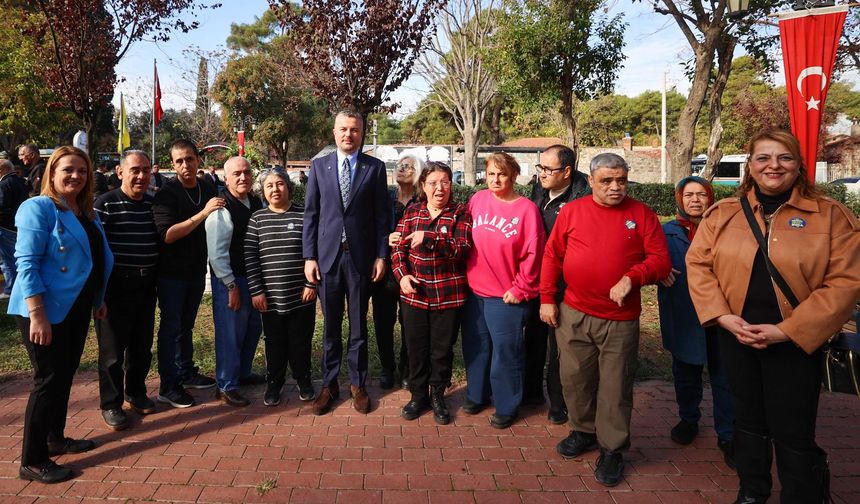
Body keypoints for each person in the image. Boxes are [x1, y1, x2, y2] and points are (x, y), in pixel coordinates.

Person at [686, 129, 860, 504]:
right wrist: (721, 316)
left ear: (799, 165)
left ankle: (802, 495)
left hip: (796, 342)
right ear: (750, 165)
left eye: (784, 157)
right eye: (763, 158)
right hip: (737, 335)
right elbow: (698, 265)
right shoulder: (724, 214)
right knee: (747, 421)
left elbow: (846, 282)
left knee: (793, 428)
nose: (773, 166)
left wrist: (789, 331)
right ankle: (752, 492)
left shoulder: (831, 216)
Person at [540, 153, 671, 487]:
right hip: (574, 312)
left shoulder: (641, 214)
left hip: (619, 318)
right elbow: (552, 256)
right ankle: (583, 431)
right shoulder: (573, 211)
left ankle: (612, 448)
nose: (615, 187)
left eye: (621, 180)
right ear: (591, 181)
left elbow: (660, 260)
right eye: (607, 181)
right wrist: (547, 299)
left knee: (615, 387)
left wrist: (633, 277)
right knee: (574, 379)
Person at [8, 146, 113, 483]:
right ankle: (32, 460)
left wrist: (98, 298)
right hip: (44, 308)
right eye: (67, 169)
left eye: (82, 170)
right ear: (51, 173)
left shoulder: (85, 212)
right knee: (48, 380)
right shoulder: (38, 208)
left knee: (65, 375)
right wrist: (37, 314)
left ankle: (55, 437)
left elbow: (93, 260)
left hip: (76, 306)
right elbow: (26, 264)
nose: (75, 176)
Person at [303, 110, 390, 415]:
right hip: (328, 259)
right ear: (334, 132)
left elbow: (382, 216)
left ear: (361, 133)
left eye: (354, 129)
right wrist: (309, 257)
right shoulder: (319, 166)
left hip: (360, 260)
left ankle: (358, 384)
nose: (348, 134)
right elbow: (311, 214)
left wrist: (381, 255)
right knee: (330, 327)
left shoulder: (375, 168)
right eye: (343, 129)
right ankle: (329, 385)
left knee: (358, 327)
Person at [462, 152, 545, 429]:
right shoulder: (477, 200)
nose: (495, 180)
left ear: (514, 176)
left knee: (506, 352)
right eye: (491, 174)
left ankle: (507, 404)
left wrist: (522, 288)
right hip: (475, 292)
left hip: (506, 296)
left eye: (502, 174)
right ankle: (477, 394)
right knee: (477, 347)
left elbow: (534, 253)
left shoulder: (526, 210)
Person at [657, 176, 735, 467]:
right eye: (688, 195)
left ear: (710, 198)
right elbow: (647, 260)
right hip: (684, 314)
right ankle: (688, 419)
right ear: (679, 199)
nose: (695, 200)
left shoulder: (725, 230)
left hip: (721, 314)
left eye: (701, 194)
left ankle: (728, 434)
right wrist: (659, 270)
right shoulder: (666, 232)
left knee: (724, 376)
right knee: (686, 373)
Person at [391, 162, 471, 424]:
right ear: (423, 186)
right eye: (433, 183)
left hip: (448, 295)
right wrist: (402, 277)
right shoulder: (412, 212)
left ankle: (437, 394)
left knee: (441, 350)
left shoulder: (460, 212)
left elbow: (461, 248)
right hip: (414, 295)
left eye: (445, 182)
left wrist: (430, 237)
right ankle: (418, 396)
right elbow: (398, 249)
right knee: (416, 348)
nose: (440, 188)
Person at [152, 139, 224, 409]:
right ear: (173, 165)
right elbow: (168, 235)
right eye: (179, 161)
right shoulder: (166, 194)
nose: (186, 165)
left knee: (186, 326)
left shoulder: (206, 187)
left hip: (196, 270)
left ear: (198, 160)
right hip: (171, 274)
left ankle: (186, 372)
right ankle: (168, 386)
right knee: (171, 328)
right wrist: (203, 213)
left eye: (190, 159)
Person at [523, 144, 589, 424]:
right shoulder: (539, 188)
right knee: (533, 338)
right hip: (536, 278)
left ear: (567, 171)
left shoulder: (583, 196)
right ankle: (531, 393)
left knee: (560, 345)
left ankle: (559, 402)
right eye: (540, 167)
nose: (542, 174)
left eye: (548, 169)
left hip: (566, 283)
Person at [94, 150, 160, 430]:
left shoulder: (153, 204)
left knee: (141, 345)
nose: (141, 176)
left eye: (146, 170)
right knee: (112, 351)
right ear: (120, 172)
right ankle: (111, 403)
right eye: (135, 170)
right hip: (115, 287)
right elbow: (96, 251)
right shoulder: (105, 204)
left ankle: (136, 392)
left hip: (146, 285)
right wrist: (99, 294)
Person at [245, 168, 317, 407]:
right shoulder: (257, 219)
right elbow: (251, 257)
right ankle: (274, 383)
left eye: (280, 184)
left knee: (300, 342)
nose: (275, 189)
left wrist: (311, 284)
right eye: (269, 186)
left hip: (301, 295)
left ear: (288, 186)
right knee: (274, 343)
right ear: (263, 191)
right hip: (270, 298)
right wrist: (256, 291)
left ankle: (303, 380)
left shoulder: (304, 215)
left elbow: (314, 251)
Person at [205, 156, 265, 407]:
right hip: (231, 280)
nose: (243, 177)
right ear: (226, 178)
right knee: (230, 334)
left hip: (254, 279)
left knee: (252, 329)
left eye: (247, 172)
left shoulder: (256, 202)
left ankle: (242, 373)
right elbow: (217, 253)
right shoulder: (221, 208)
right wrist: (230, 285)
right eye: (236, 174)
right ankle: (226, 385)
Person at [373, 151, 422, 389]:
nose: (402, 169)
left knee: (409, 323)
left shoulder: (422, 202)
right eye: (400, 165)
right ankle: (387, 368)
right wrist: (386, 238)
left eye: (408, 166)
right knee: (383, 322)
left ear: (418, 173)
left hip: (412, 270)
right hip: (385, 270)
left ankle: (406, 367)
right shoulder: (384, 198)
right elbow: (371, 228)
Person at [0, 159, 29, 299]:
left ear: (3, 169)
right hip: (18, 226)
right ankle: (18, 287)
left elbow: (2, 207)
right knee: (16, 259)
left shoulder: (4, 184)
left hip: (6, 227)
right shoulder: (21, 181)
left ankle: (10, 289)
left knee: (6, 260)